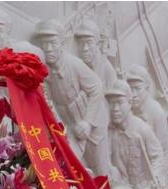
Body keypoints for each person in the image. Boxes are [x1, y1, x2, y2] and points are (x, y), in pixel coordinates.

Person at [35, 19, 111, 177]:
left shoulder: (73, 64)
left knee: (101, 171)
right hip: (70, 127)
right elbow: (48, 100)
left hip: (93, 124)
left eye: (53, 43)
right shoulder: (45, 68)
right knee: (69, 165)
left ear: (62, 44)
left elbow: (97, 88)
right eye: (44, 43)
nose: (48, 49)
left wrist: (88, 122)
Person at [105, 80, 166, 189]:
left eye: (119, 103)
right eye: (112, 103)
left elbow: (158, 157)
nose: (115, 108)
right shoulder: (110, 132)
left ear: (130, 103)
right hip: (125, 188)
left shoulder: (141, 129)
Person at [73, 19, 117, 87]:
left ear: (98, 44)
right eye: (81, 43)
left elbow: (113, 96)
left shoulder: (107, 70)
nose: (85, 48)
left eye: (89, 42)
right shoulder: (77, 66)